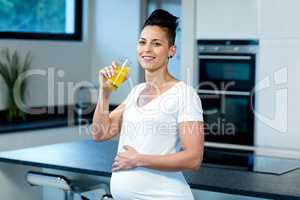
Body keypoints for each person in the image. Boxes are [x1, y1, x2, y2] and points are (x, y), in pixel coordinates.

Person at [92, 9, 204, 200]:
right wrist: (104, 93)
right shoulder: (136, 92)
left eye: (157, 44)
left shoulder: (184, 94)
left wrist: (139, 159)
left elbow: (193, 158)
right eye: (142, 42)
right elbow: (100, 133)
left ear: (171, 50)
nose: (147, 49)